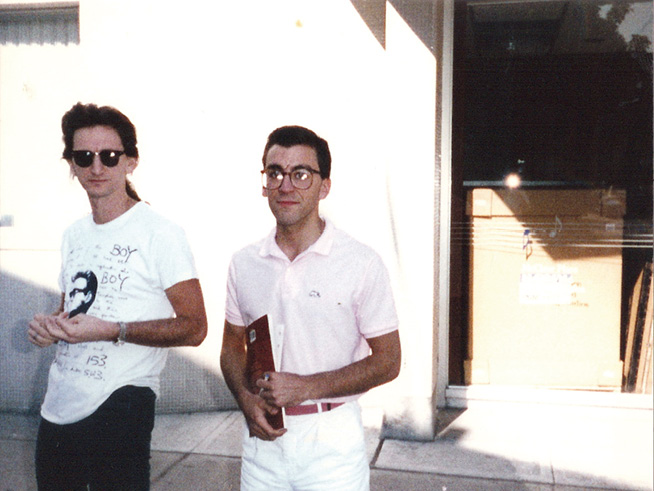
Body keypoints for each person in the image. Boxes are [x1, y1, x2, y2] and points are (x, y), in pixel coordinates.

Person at [27, 102, 208, 490]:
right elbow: (72, 312)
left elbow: (194, 328)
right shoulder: (73, 234)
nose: (96, 168)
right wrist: (50, 328)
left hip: (122, 403)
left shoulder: (160, 233)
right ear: (71, 165)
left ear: (131, 162)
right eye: (84, 157)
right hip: (58, 408)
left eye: (109, 157)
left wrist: (113, 330)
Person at [220, 125, 401, 490]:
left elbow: (388, 361)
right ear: (264, 183)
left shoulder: (360, 263)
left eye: (301, 174)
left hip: (330, 443)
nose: (286, 186)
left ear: (324, 186)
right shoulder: (245, 263)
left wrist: (306, 388)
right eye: (275, 173)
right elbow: (231, 347)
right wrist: (245, 400)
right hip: (262, 445)